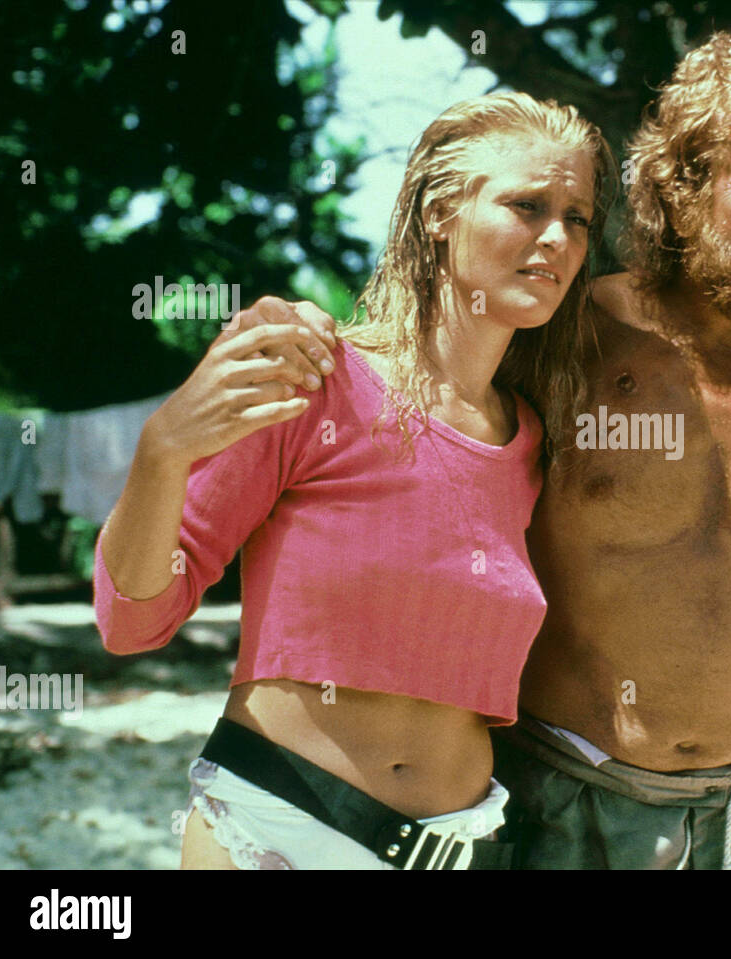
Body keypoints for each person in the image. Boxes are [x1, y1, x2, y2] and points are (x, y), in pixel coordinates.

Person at [238, 29, 731, 869]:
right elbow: (407, 390)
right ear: (680, 192)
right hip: (548, 799)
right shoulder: (563, 343)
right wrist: (308, 339)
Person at [93, 91, 613, 869]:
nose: (556, 238)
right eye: (526, 204)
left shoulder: (538, 442)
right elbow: (130, 621)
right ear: (441, 213)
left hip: (454, 850)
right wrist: (162, 451)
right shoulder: (314, 380)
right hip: (276, 827)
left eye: (577, 217)